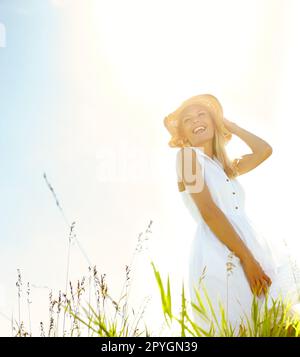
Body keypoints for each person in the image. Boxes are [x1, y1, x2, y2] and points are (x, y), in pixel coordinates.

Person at [164, 94, 300, 334]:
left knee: (281, 326)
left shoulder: (226, 167)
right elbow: (208, 211)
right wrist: (247, 259)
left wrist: (232, 127)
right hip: (220, 254)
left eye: (201, 114)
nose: (195, 120)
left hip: (253, 248)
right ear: (183, 133)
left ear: (215, 121)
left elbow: (264, 150)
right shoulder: (186, 157)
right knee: (242, 327)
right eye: (187, 119)